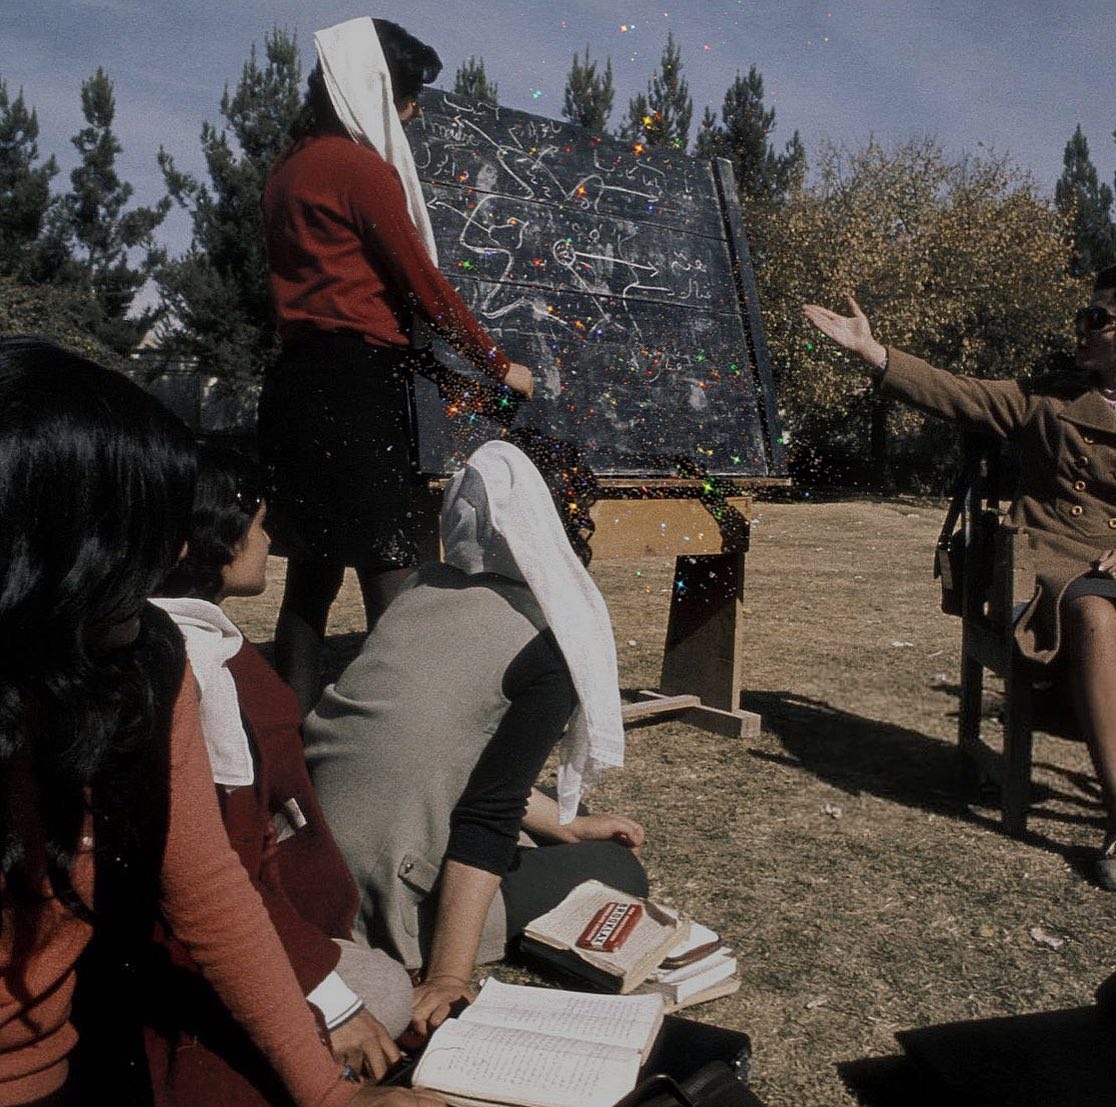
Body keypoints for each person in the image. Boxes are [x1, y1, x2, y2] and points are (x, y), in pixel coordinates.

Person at [0, 337, 441, 1107]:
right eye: (137, 530)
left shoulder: (149, 660)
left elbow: (209, 888)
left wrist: (330, 1095)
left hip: (63, 1067)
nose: (171, 552)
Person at [304, 441, 649, 1036]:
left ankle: (561, 828)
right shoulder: (547, 642)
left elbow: (440, 745)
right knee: (616, 870)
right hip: (378, 887)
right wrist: (448, 976)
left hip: (313, 850)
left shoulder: (424, 588)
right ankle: (430, 940)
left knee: (573, 814)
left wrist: (562, 825)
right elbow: (486, 814)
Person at [803, 264, 1116, 887]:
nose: (1083, 329)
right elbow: (956, 392)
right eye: (1085, 316)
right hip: (1063, 560)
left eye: (1099, 319)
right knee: (1092, 613)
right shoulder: (1044, 397)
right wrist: (874, 351)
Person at [259, 16, 535, 714]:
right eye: (406, 95)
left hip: (297, 383)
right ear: (373, 88)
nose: (410, 113)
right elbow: (426, 286)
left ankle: (289, 750)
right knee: (394, 571)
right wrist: (499, 367)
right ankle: (406, 734)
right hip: (358, 386)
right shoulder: (358, 168)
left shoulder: (289, 169)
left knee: (310, 581)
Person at [147, 446, 416, 1103]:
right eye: (260, 524)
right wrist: (323, 978)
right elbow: (226, 868)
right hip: (221, 946)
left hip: (234, 934)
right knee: (382, 988)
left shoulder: (162, 644)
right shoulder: (216, 673)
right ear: (213, 540)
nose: (268, 541)